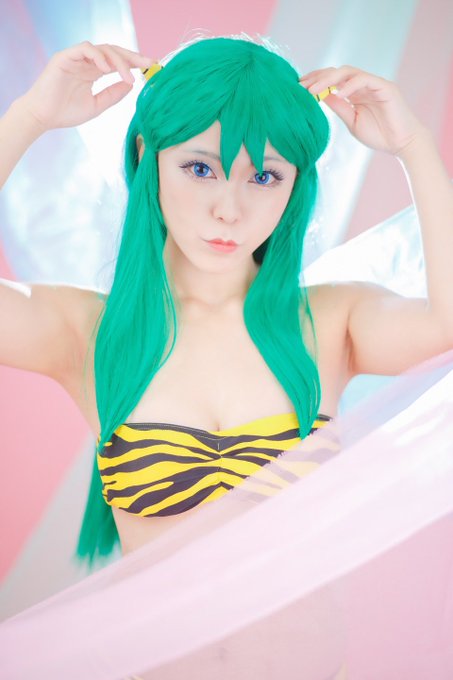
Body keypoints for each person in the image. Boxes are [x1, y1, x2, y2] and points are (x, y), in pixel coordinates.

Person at [1, 35, 452, 578]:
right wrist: (29, 116)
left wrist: (414, 146)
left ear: (294, 185)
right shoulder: (87, 332)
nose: (229, 210)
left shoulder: (333, 321)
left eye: (264, 177)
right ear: (146, 154)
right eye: (200, 168)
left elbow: (446, 326)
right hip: (158, 637)